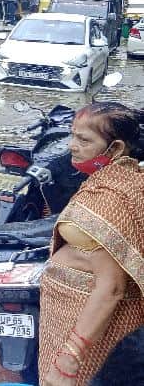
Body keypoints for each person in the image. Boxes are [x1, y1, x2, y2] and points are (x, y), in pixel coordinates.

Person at [39, 102, 144, 385]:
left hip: (89, 332)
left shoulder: (111, 198)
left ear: (117, 148)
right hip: (69, 315)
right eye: (73, 135)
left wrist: (68, 361)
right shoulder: (122, 179)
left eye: (84, 140)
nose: (72, 145)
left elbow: (111, 288)